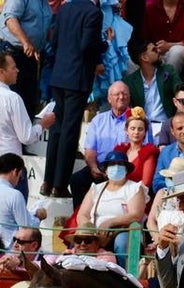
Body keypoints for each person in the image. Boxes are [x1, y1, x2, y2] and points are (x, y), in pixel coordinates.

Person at [43, 0, 104, 199]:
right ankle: (59, 185)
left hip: (59, 76)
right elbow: (88, 45)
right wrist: (104, 45)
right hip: (77, 78)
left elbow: (54, 42)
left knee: (57, 129)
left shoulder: (65, 8)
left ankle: (47, 181)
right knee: (69, 131)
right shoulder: (93, 13)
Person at [76, 151, 149, 268]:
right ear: (105, 170)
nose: (116, 167)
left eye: (120, 164)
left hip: (123, 232)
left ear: (126, 169)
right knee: (80, 241)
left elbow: (136, 215)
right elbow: (82, 214)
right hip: (95, 233)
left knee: (122, 242)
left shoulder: (134, 188)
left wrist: (110, 223)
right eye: (112, 164)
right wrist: (88, 229)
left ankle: (124, 276)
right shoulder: (96, 189)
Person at [68, 82, 134, 208]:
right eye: (117, 94)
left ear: (129, 97)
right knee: (77, 180)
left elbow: (142, 149)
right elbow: (90, 150)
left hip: (125, 168)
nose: (121, 97)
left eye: (125, 94)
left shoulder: (136, 119)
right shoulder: (98, 120)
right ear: (109, 98)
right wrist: (94, 168)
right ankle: (81, 221)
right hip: (101, 169)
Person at [0, 50, 54, 194]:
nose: (17, 70)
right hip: (11, 170)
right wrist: (43, 124)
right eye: (13, 68)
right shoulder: (12, 98)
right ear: (1, 72)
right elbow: (27, 137)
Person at [0, 0, 51, 122]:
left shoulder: (45, 4)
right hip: (12, 54)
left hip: (32, 56)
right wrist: (25, 42)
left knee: (27, 102)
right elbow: (10, 19)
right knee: (12, 101)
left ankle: (23, 138)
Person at [124, 41, 181, 133]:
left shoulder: (168, 71)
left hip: (167, 127)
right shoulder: (130, 81)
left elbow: (180, 92)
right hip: (143, 129)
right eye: (154, 50)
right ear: (144, 57)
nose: (158, 51)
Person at [143, 0, 184, 75]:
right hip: (155, 50)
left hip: (181, 50)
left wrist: (171, 45)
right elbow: (143, 35)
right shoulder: (149, 7)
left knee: (177, 51)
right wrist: (154, 49)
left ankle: (167, 84)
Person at [0, 154, 41, 248]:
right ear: (15, 172)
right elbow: (26, 229)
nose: (19, 180)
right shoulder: (14, 195)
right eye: (20, 176)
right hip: (7, 252)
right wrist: (38, 217)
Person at [116, 109, 161, 193]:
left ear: (145, 132)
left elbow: (146, 184)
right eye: (132, 128)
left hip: (138, 196)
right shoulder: (120, 151)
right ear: (126, 131)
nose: (136, 132)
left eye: (140, 129)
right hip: (118, 193)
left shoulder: (148, 153)